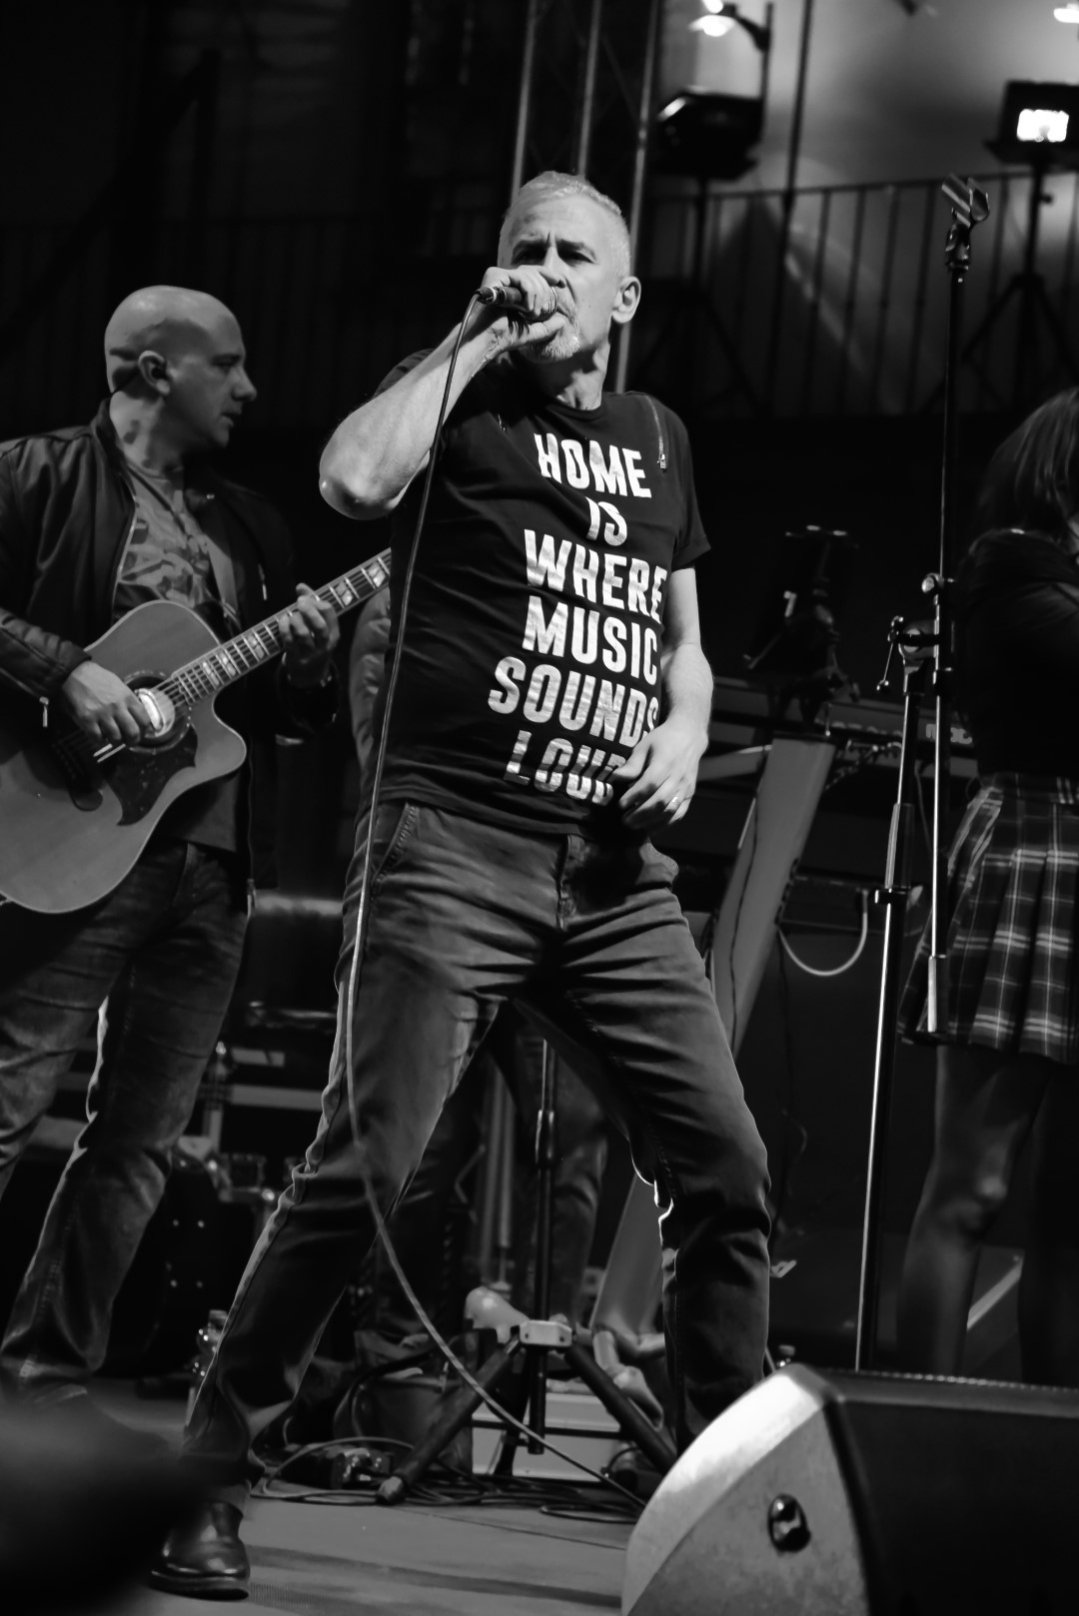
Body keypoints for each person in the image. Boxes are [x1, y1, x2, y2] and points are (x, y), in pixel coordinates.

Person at [155, 172, 770, 1599]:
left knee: (723, 1167)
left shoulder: (658, 438)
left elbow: (684, 643)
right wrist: (475, 332)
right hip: (451, 847)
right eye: (524, 249)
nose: (545, 270)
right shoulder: (456, 400)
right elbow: (351, 482)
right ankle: (200, 1479)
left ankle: (729, 1515)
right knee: (362, 1167)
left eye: (573, 257)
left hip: (609, 875)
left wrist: (684, 730)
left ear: (624, 297)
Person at [0, 286, 339, 1417]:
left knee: (137, 1144)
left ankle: (46, 1378)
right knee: (7, 1101)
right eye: (226, 365)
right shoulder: (34, 476)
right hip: (69, 836)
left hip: (212, 862)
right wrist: (65, 671)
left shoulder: (251, 524)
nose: (249, 387)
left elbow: (271, 717)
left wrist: (305, 667)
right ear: (151, 370)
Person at [348, 583, 609, 1344]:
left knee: (569, 1139)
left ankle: (544, 1345)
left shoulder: (575, 592)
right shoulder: (410, 592)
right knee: (419, 1143)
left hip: (554, 891)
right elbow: (385, 755)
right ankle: (393, 1348)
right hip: (445, 897)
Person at [898, 386, 1079, 1385]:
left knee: (1067, 1213)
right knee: (969, 1187)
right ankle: (921, 1425)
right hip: (1032, 850)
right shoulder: (1010, 569)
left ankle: (1056, 1442)